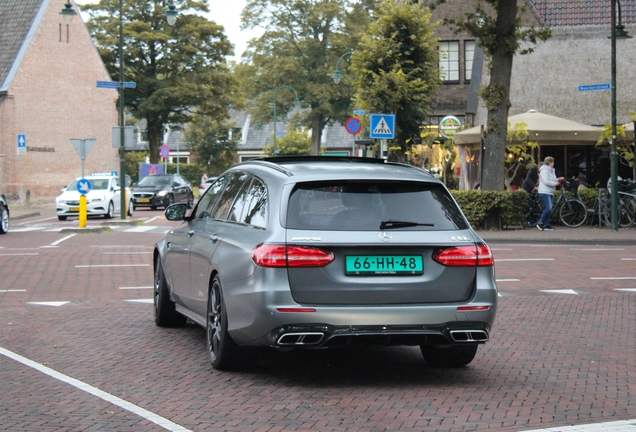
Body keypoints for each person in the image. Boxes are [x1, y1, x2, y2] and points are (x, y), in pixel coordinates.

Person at [537, 157, 564, 231]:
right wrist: (556, 183)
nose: (553, 164)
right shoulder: (544, 171)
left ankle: (546, 224)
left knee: (549, 208)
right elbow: (546, 181)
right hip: (544, 191)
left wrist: (558, 179)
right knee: (548, 208)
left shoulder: (551, 171)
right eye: (553, 162)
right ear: (550, 163)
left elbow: (552, 179)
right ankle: (541, 222)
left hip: (549, 192)